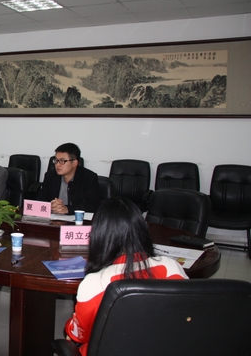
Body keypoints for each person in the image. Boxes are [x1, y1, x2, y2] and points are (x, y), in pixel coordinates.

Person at [64, 197, 188, 355]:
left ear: (99, 236)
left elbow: (79, 335)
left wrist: (70, 326)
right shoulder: (172, 267)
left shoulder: (94, 284)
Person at [37, 143, 100, 214]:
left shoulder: (89, 178)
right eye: (56, 160)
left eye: (62, 161)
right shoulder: (50, 176)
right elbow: (41, 200)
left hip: (76, 219)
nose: (57, 165)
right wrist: (50, 206)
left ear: (74, 163)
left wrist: (67, 209)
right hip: (53, 218)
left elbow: (92, 206)